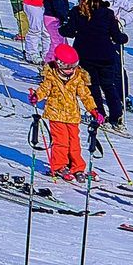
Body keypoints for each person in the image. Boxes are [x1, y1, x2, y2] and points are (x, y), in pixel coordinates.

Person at [63, 0, 130, 132]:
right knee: (108, 86)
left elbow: (68, 32)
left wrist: (63, 26)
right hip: (106, 55)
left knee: (92, 88)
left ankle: (99, 114)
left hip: (85, 55)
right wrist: (123, 38)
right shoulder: (107, 13)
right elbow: (116, 35)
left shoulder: (77, 11)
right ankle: (116, 117)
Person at [34, 43, 96, 180]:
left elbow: (85, 95)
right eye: (66, 66)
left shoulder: (78, 77)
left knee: (74, 142)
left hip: (72, 115)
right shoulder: (51, 76)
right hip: (55, 113)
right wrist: (36, 96)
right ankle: (59, 165)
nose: (70, 69)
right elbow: (44, 89)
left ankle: (77, 166)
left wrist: (93, 109)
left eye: (73, 65)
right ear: (58, 63)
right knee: (60, 141)